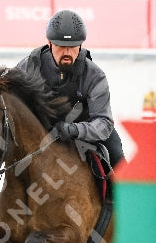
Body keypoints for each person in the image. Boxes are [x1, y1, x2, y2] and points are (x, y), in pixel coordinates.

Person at [15, 9, 125, 168]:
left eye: (72, 47)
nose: (67, 53)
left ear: (80, 45)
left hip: (83, 129)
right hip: (41, 131)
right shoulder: (28, 68)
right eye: (61, 46)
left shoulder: (95, 75)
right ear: (49, 44)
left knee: (117, 155)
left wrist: (74, 130)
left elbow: (104, 123)